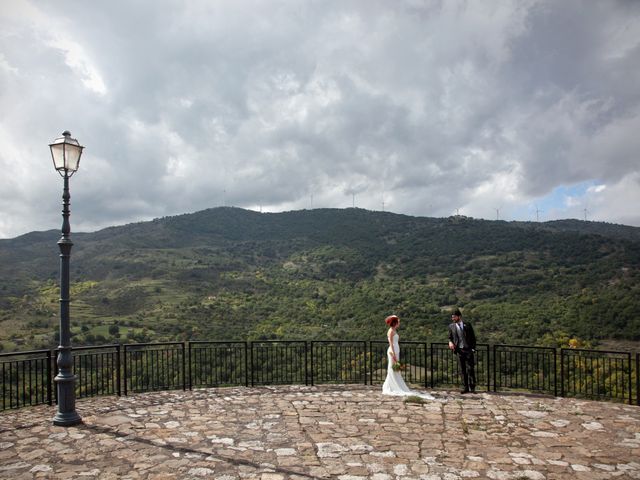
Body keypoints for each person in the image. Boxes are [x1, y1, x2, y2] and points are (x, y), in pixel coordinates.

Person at [382, 314, 434, 399]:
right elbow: (391, 343)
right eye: (398, 322)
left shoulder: (394, 330)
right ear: (395, 323)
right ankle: (392, 386)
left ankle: (391, 385)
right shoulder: (391, 331)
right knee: (392, 368)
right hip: (393, 351)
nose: (399, 323)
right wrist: (393, 354)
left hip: (396, 350)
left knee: (394, 369)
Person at [448, 308, 477, 393]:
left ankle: (473, 388)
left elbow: (473, 338)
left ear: (459, 317)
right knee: (462, 370)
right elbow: (450, 337)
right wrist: (450, 342)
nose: (453, 319)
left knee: (470, 369)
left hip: (468, 350)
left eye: (454, 317)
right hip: (459, 351)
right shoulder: (451, 326)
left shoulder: (467, 325)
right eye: (452, 317)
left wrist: (473, 349)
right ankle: (465, 388)